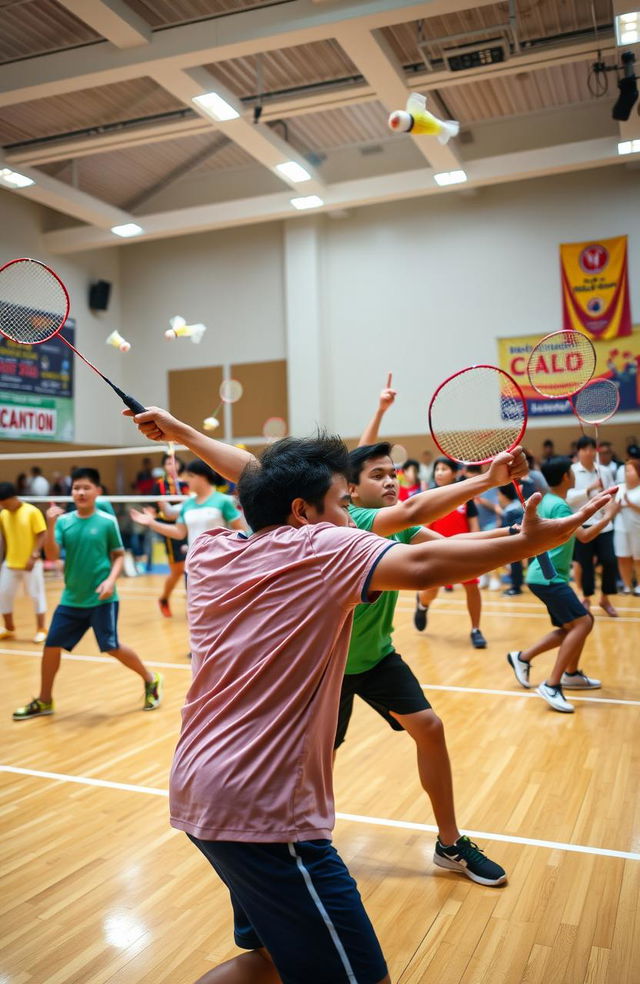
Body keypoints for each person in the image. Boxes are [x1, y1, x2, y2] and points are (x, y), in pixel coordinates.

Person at [126, 404, 607, 984]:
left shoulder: (213, 550)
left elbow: (259, 476)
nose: (350, 515)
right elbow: (426, 565)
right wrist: (528, 542)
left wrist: (179, 430)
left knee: (268, 962)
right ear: (304, 512)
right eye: (340, 504)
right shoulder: (323, 550)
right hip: (265, 809)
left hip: (199, 785)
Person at [12, 467, 162, 720]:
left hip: (102, 599)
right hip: (72, 598)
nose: (80, 492)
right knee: (51, 646)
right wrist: (50, 523)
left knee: (111, 647)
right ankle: (45, 700)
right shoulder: (64, 523)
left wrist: (110, 581)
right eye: (76, 488)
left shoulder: (106, 522)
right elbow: (50, 555)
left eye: (85, 488)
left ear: (97, 492)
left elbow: (117, 556)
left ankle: (150, 679)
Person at [507, 457, 617, 713]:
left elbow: (576, 522)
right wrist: (609, 515)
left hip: (542, 576)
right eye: (571, 470)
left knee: (574, 626)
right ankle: (553, 684)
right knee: (583, 622)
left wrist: (594, 504)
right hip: (549, 576)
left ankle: (529, 660)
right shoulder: (560, 507)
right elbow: (585, 535)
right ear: (567, 477)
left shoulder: (550, 502)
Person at [419, 457, 487, 648]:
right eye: (437, 469)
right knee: (430, 592)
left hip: (463, 550)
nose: (439, 472)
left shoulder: (465, 496)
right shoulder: (429, 496)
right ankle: (422, 604)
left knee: (472, 588)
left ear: (455, 473)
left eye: (444, 469)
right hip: (437, 551)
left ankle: (476, 630)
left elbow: (473, 524)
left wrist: (477, 546)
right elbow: (424, 526)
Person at [130, 458, 245, 547]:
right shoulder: (187, 504)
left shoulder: (223, 501)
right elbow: (179, 533)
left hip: (218, 565)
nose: (186, 480)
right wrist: (152, 523)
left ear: (203, 477)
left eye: (191, 476)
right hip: (193, 566)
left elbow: (240, 531)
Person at [568, 436, 618, 616]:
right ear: (579, 452)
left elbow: (613, 494)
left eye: (591, 449)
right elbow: (569, 497)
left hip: (604, 525)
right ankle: (586, 598)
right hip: (582, 526)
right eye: (585, 449)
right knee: (585, 564)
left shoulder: (603, 471)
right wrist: (590, 489)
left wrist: (609, 499)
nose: (589, 452)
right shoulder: (572, 471)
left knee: (610, 561)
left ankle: (605, 598)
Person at [0, 482, 47, 643]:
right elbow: (5, 537)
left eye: (5, 503)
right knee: (3, 595)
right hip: (10, 563)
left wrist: (34, 556)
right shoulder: (3, 515)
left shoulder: (32, 512)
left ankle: (41, 629)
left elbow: (42, 533)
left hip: (31, 564)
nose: (3, 506)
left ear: (14, 498)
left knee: (36, 596)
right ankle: (9, 628)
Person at [152, 452, 190, 617]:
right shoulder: (160, 485)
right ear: (164, 467)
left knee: (192, 567)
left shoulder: (188, 482)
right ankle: (164, 598)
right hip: (170, 529)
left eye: (173, 462)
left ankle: (193, 602)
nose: (171, 465)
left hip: (190, 527)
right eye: (167, 463)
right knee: (177, 570)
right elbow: (159, 510)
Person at [614, 458, 640, 594]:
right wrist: (615, 508)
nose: (627, 473)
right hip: (621, 526)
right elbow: (611, 507)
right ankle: (627, 585)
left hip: (637, 527)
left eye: (630, 470)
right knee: (623, 556)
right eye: (625, 471)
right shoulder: (619, 488)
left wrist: (631, 505)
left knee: (638, 557)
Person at [497, 484, 524, 595]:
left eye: (499, 495)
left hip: (513, 543)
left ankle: (515, 587)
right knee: (517, 563)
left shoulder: (510, 512)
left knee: (515, 563)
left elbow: (507, 529)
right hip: (519, 542)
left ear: (504, 496)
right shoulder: (517, 507)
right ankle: (517, 584)